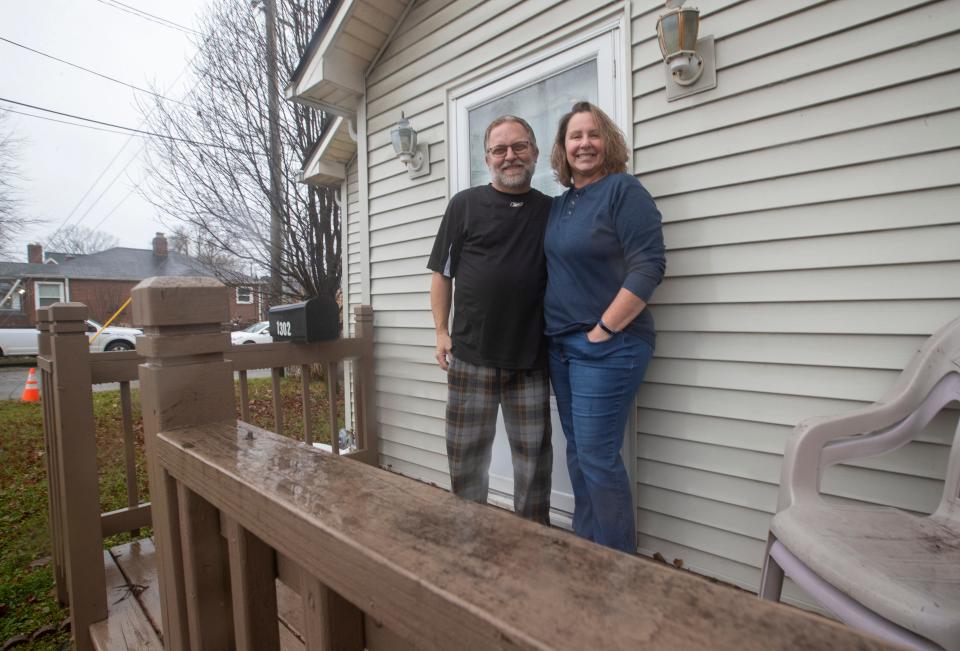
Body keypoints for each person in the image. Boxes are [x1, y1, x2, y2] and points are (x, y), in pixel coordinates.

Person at [544, 102, 666, 552]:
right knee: (580, 455)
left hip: (609, 346)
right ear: (563, 148)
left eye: (593, 134)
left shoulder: (623, 191)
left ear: (607, 141)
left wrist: (604, 331)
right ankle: (587, 552)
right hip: (561, 349)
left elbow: (649, 266)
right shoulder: (560, 207)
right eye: (575, 136)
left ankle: (619, 569)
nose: (584, 144)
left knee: (596, 456)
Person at [427, 115, 553, 524]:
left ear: (534, 153)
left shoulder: (551, 211)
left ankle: (534, 547)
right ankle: (469, 540)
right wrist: (441, 332)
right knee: (466, 462)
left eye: (519, 147)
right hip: (471, 358)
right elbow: (441, 274)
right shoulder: (464, 205)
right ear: (487, 158)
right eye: (499, 150)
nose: (509, 156)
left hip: (530, 362)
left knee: (533, 468)